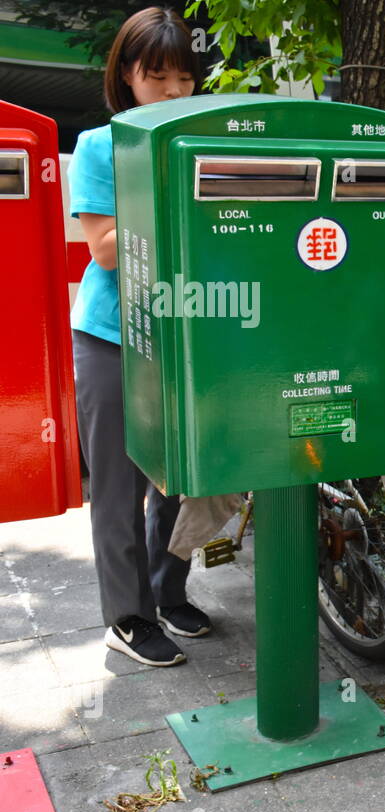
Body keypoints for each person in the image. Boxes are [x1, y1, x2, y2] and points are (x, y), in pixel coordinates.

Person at [69, 7, 207, 667]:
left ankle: (166, 592)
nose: (175, 93)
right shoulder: (104, 146)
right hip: (109, 338)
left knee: (178, 475)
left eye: (185, 78)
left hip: (180, 333)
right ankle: (126, 616)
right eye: (159, 77)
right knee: (120, 488)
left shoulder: (204, 144)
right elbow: (101, 248)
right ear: (128, 77)